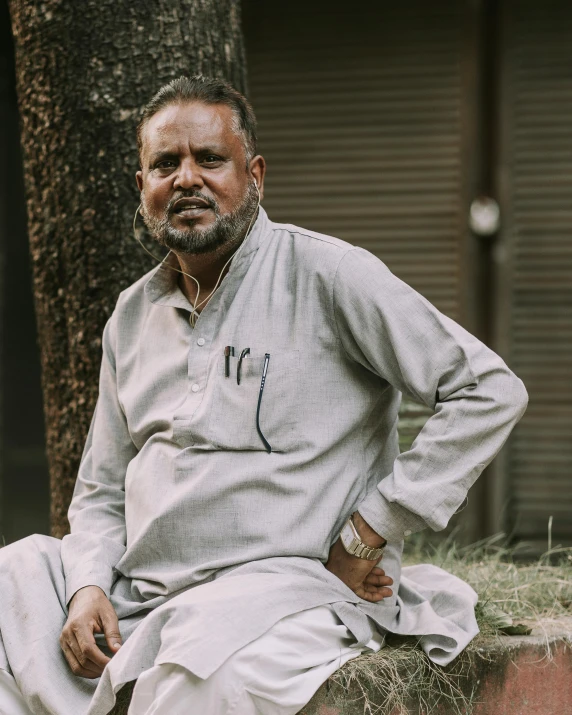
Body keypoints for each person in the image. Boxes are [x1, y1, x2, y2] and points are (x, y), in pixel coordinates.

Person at [0, 75, 528, 715]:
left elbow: (487, 388)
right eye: (166, 164)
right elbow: (102, 489)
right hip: (144, 590)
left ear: (254, 174)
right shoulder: (132, 315)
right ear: (143, 189)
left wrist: (373, 526)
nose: (187, 178)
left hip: (283, 589)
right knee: (12, 582)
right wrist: (87, 585)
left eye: (210, 160)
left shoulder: (329, 274)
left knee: (193, 678)